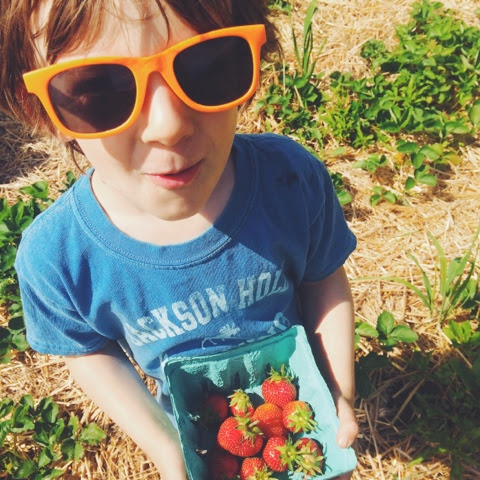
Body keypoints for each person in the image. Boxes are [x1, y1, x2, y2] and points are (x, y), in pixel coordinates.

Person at [0, 1, 359, 478]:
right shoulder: (57, 258)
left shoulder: (290, 180)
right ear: (40, 110)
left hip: (296, 417)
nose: (168, 126)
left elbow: (323, 280)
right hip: (203, 433)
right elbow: (88, 351)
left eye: (209, 66)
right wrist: (166, 447)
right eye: (101, 89)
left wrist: (338, 390)